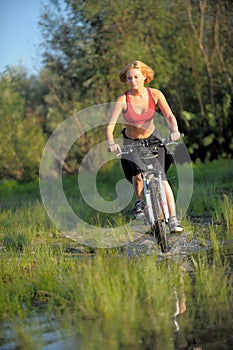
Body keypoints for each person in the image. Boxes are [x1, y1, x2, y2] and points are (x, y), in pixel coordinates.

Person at [105, 60, 183, 233]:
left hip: (154, 139)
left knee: (162, 179)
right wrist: (111, 142)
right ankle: (141, 202)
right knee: (138, 176)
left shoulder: (155, 94)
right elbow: (110, 126)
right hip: (131, 142)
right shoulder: (123, 99)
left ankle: (173, 219)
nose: (132, 81)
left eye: (135, 77)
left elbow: (169, 116)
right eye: (129, 78)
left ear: (144, 77)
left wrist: (175, 130)